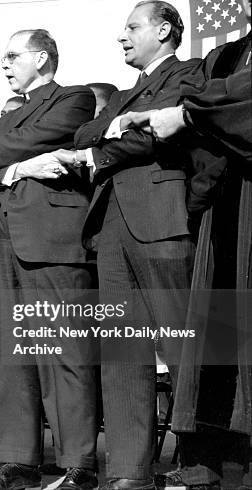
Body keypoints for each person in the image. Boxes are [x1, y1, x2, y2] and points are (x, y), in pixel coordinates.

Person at [47, 2, 204, 488]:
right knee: (121, 352)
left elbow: (156, 138)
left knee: (184, 349)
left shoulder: (190, 72)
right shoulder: (124, 94)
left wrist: (109, 138)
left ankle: (200, 465)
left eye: (132, 27)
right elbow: (83, 134)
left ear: (163, 30)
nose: (122, 37)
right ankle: (130, 472)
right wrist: (120, 124)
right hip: (112, 225)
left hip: (160, 218)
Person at [0, 29, 98, 490]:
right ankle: (18, 460)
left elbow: (41, 135)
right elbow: (4, 163)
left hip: (53, 241)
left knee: (65, 353)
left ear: (42, 57)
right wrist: (18, 167)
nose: (5, 64)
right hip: (6, 240)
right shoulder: (5, 119)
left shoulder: (73, 98)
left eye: (13, 56)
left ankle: (79, 464)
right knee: (12, 353)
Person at [130, 2, 251, 488]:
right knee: (221, 327)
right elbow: (213, 103)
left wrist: (190, 112)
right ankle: (219, 457)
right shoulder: (224, 55)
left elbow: (228, 101)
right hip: (225, 200)